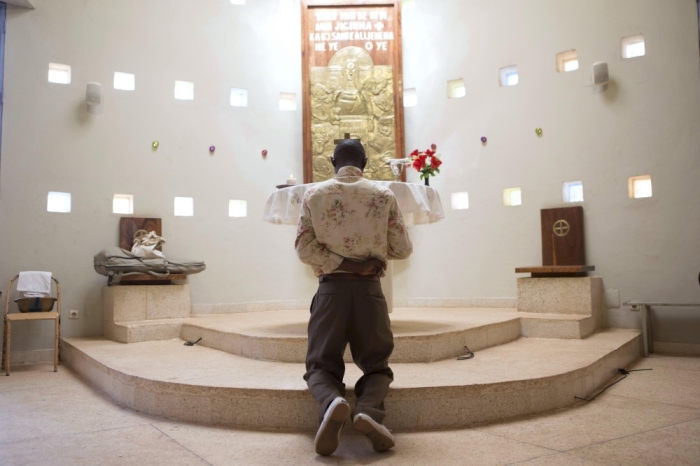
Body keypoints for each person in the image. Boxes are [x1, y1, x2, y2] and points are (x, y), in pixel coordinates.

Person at [295, 139, 413, 456]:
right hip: (369, 293)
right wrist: (366, 262)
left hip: (331, 290)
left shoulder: (314, 195)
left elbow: (304, 250)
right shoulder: (383, 194)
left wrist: (344, 263)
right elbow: (403, 248)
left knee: (320, 366)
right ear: (366, 162)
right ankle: (368, 412)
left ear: (332, 160)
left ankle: (332, 402)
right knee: (377, 366)